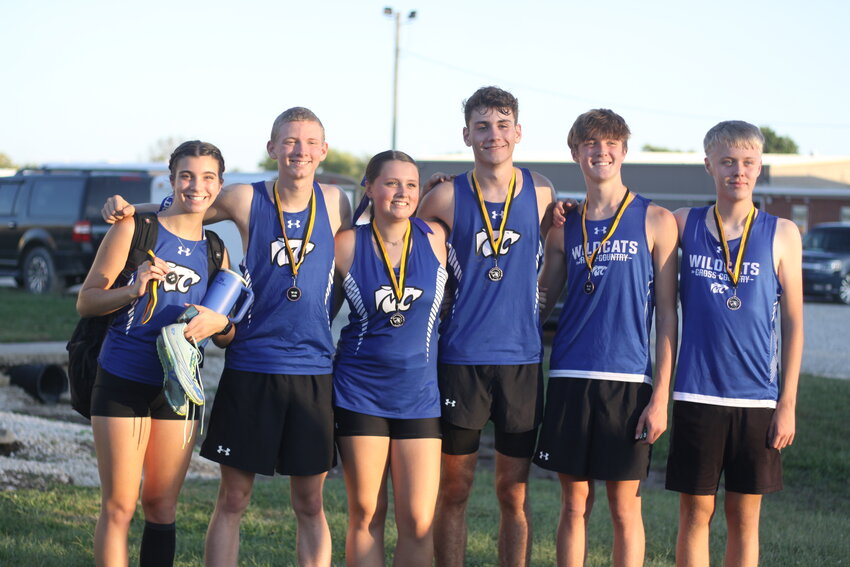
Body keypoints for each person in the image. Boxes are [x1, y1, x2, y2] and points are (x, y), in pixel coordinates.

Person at [101, 107, 352, 567]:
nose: (300, 150)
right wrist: (128, 209)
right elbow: (184, 207)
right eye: (290, 141)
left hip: (314, 368)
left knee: (311, 504)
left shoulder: (338, 201)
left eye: (310, 142)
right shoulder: (243, 197)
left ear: (324, 149)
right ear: (272, 147)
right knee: (233, 499)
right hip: (251, 362)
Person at [417, 86, 556, 567]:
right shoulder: (443, 196)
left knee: (513, 493)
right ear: (466, 134)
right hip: (461, 359)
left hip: (521, 362)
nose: (492, 134)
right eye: (482, 126)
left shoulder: (541, 190)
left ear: (518, 132)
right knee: (453, 489)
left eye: (502, 124)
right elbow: (399, 240)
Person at [533, 109, 679, 567]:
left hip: (628, 381)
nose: (601, 151)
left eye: (610, 142)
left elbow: (668, 317)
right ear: (576, 153)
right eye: (591, 144)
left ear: (624, 150)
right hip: (570, 376)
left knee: (624, 507)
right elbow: (540, 298)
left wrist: (660, 398)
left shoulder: (655, 219)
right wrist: (541, 231)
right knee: (574, 505)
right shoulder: (564, 225)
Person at [78, 140, 232, 567]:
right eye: (186, 175)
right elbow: (87, 301)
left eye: (206, 177)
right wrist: (133, 287)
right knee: (119, 506)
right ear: (171, 180)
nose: (195, 186)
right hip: (123, 377)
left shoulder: (217, 249)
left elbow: (222, 334)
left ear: (219, 186)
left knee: (162, 508)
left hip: (178, 389)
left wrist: (221, 325)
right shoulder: (135, 228)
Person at [665, 121, 803, 567]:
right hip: (696, 392)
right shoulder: (683, 224)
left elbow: (795, 322)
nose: (737, 172)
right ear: (709, 165)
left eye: (746, 162)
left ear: (759, 167)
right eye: (727, 162)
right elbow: (626, 217)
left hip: (757, 399)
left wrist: (788, 402)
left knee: (744, 517)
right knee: (695, 513)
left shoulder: (782, 233)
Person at [333, 150, 447, 566]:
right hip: (359, 391)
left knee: (418, 520)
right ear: (369, 187)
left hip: (419, 394)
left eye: (411, 184)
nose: (402, 192)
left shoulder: (436, 236)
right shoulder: (345, 244)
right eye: (391, 183)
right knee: (367, 513)